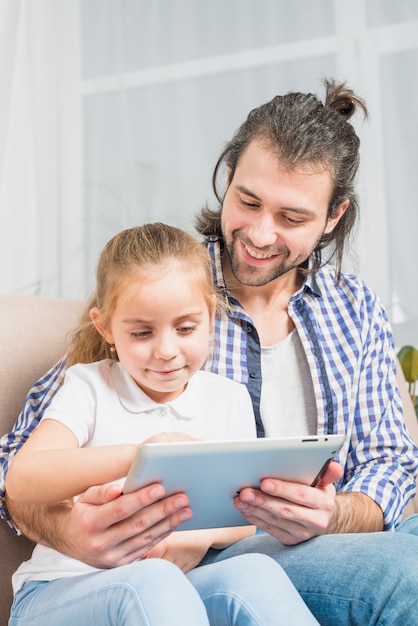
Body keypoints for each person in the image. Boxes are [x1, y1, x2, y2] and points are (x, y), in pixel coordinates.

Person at [1, 79, 418, 625]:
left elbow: (393, 463)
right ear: (227, 177)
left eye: (292, 219)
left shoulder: (352, 306)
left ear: (333, 217)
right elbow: (17, 470)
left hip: (300, 545)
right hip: (195, 564)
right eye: (247, 201)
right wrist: (70, 531)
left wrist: (332, 512)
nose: (261, 234)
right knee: (403, 574)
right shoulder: (167, 285)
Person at [5, 223, 319, 625]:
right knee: (152, 581)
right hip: (59, 592)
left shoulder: (228, 398)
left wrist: (200, 537)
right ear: (106, 329)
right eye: (141, 333)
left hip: (172, 588)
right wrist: (143, 455)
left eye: (186, 328)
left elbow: (244, 519)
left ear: (210, 316)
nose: (167, 351)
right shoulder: (91, 386)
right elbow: (22, 478)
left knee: (254, 571)